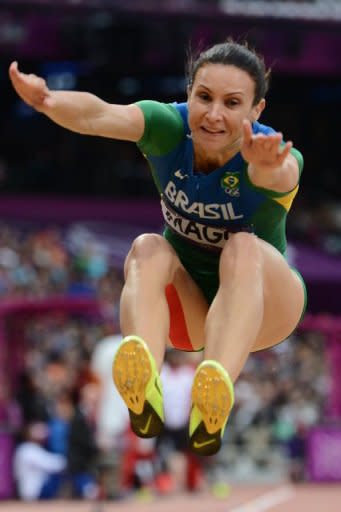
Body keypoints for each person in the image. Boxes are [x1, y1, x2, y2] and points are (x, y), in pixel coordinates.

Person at [9, 39, 307, 456]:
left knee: (243, 246)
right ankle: (145, 385)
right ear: (188, 93)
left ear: (255, 111)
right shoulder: (168, 127)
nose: (214, 114)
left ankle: (214, 393)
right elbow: (99, 114)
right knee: (147, 246)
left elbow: (283, 172)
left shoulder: (268, 152)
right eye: (203, 97)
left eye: (232, 102)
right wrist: (47, 99)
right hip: (191, 315)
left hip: (266, 308)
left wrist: (268, 164)